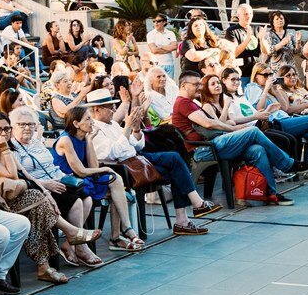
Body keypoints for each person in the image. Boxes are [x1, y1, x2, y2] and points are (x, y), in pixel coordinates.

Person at [85, 87, 220, 235]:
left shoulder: (114, 125)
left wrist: (135, 129)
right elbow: (113, 153)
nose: (114, 109)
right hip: (123, 168)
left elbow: (138, 144)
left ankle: (187, 215)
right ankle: (189, 213)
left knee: (174, 159)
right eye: (110, 107)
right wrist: (128, 127)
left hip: (136, 158)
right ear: (97, 110)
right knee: (176, 167)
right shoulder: (93, 130)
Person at [0, 113, 78, 284]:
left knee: (38, 206)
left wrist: (48, 195)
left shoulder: (6, 150)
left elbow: (27, 176)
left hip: (10, 197)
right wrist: (4, 148)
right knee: (36, 203)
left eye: (6, 129)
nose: (2, 133)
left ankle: (45, 265)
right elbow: (12, 177)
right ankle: (66, 238)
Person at [170, 70, 308, 204]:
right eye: (196, 85)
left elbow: (216, 123)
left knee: (257, 150)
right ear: (183, 85)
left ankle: (271, 193)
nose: (200, 88)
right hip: (205, 149)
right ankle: (287, 165)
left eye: (200, 84)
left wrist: (234, 127)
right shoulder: (183, 103)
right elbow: (208, 123)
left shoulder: (190, 103)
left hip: (214, 143)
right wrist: (233, 129)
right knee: (253, 131)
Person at [6, 107, 102, 267]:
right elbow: (20, 178)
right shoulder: (12, 148)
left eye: (30, 124)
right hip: (37, 189)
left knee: (87, 199)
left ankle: (70, 245)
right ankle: (81, 246)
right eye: (22, 124)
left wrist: (64, 178)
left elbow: (51, 166)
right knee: (76, 202)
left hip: (56, 180)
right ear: (13, 127)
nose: (27, 128)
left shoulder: (36, 143)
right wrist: (46, 184)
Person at [54, 106, 140, 250]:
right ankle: (118, 235)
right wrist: (105, 168)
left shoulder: (84, 138)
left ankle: (123, 230)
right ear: (76, 124)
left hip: (84, 179)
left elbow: (92, 166)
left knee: (116, 180)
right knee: (114, 184)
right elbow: (80, 171)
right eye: (88, 119)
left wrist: (89, 141)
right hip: (70, 182)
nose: (92, 122)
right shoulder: (66, 140)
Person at [224, 4, 261, 83]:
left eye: (250, 13)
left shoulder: (257, 28)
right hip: (242, 73)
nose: (248, 16)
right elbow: (235, 53)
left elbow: (266, 52)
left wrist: (263, 40)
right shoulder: (231, 31)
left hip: (257, 72)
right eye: (245, 14)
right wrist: (247, 39)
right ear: (238, 16)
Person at [146, 14, 179, 79]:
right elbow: (154, 50)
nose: (156, 23)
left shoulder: (170, 33)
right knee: (158, 86)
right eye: (154, 21)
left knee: (169, 86)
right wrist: (169, 48)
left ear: (164, 22)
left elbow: (175, 47)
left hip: (170, 64)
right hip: (157, 64)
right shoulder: (150, 34)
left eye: (158, 21)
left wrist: (161, 47)